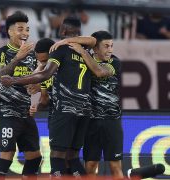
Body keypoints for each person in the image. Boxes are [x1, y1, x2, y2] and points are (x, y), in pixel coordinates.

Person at [0, 16, 93, 177]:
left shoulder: (58, 51)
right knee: (73, 158)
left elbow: (45, 74)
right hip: (84, 111)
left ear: (62, 31)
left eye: (43, 60)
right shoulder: (86, 51)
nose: (41, 63)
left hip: (64, 110)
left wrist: (15, 80)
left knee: (57, 158)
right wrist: (37, 102)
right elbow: (43, 92)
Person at [48, 31, 123, 178]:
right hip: (90, 121)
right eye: (106, 46)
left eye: (112, 46)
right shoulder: (82, 62)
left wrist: (78, 49)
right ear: (95, 49)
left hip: (111, 121)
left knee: (115, 166)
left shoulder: (114, 62)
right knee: (90, 166)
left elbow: (99, 72)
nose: (110, 50)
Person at [0, 11, 42, 179]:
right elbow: (1, 76)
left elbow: (37, 84)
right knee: (7, 156)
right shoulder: (1, 53)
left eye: (27, 29)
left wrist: (35, 102)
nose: (25, 33)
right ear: (10, 31)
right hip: (8, 112)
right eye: (20, 29)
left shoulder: (34, 56)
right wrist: (17, 58)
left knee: (35, 158)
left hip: (26, 113)